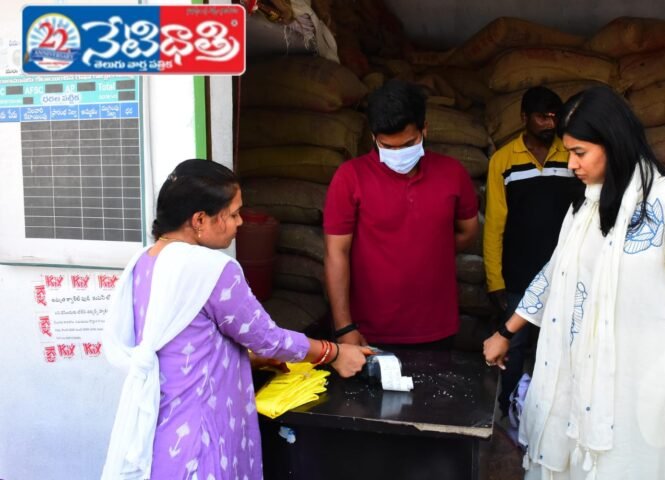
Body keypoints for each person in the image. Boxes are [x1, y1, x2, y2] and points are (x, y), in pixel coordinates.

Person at [483, 87, 665, 479]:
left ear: (613, 143)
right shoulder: (584, 205)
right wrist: (506, 330)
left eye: (579, 152)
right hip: (575, 381)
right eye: (569, 153)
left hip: (637, 395)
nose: (572, 164)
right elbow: (555, 274)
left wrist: (654, 355)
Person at [101, 159, 369, 480]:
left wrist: (248, 361)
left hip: (161, 438)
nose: (240, 222)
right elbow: (269, 339)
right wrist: (334, 352)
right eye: (232, 214)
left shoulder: (144, 263)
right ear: (200, 219)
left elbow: (186, 344)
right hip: (202, 444)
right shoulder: (212, 270)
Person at [324, 79, 479, 350]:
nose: (398, 154)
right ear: (373, 138)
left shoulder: (453, 173)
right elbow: (336, 253)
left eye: (407, 144)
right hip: (368, 331)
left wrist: (429, 251)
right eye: (388, 146)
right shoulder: (350, 177)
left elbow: (467, 232)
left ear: (424, 130)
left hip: (437, 328)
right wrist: (344, 327)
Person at [483, 86, 584, 419]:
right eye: (542, 116)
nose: (549, 124)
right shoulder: (504, 160)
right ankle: (507, 408)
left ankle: (549, 416)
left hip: (565, 272)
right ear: (524, 118)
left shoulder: (570, 157)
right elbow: (495, 224)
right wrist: (494, 279)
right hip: (518, 274)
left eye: (554, 117)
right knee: (513, 346)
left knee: (557, 347)